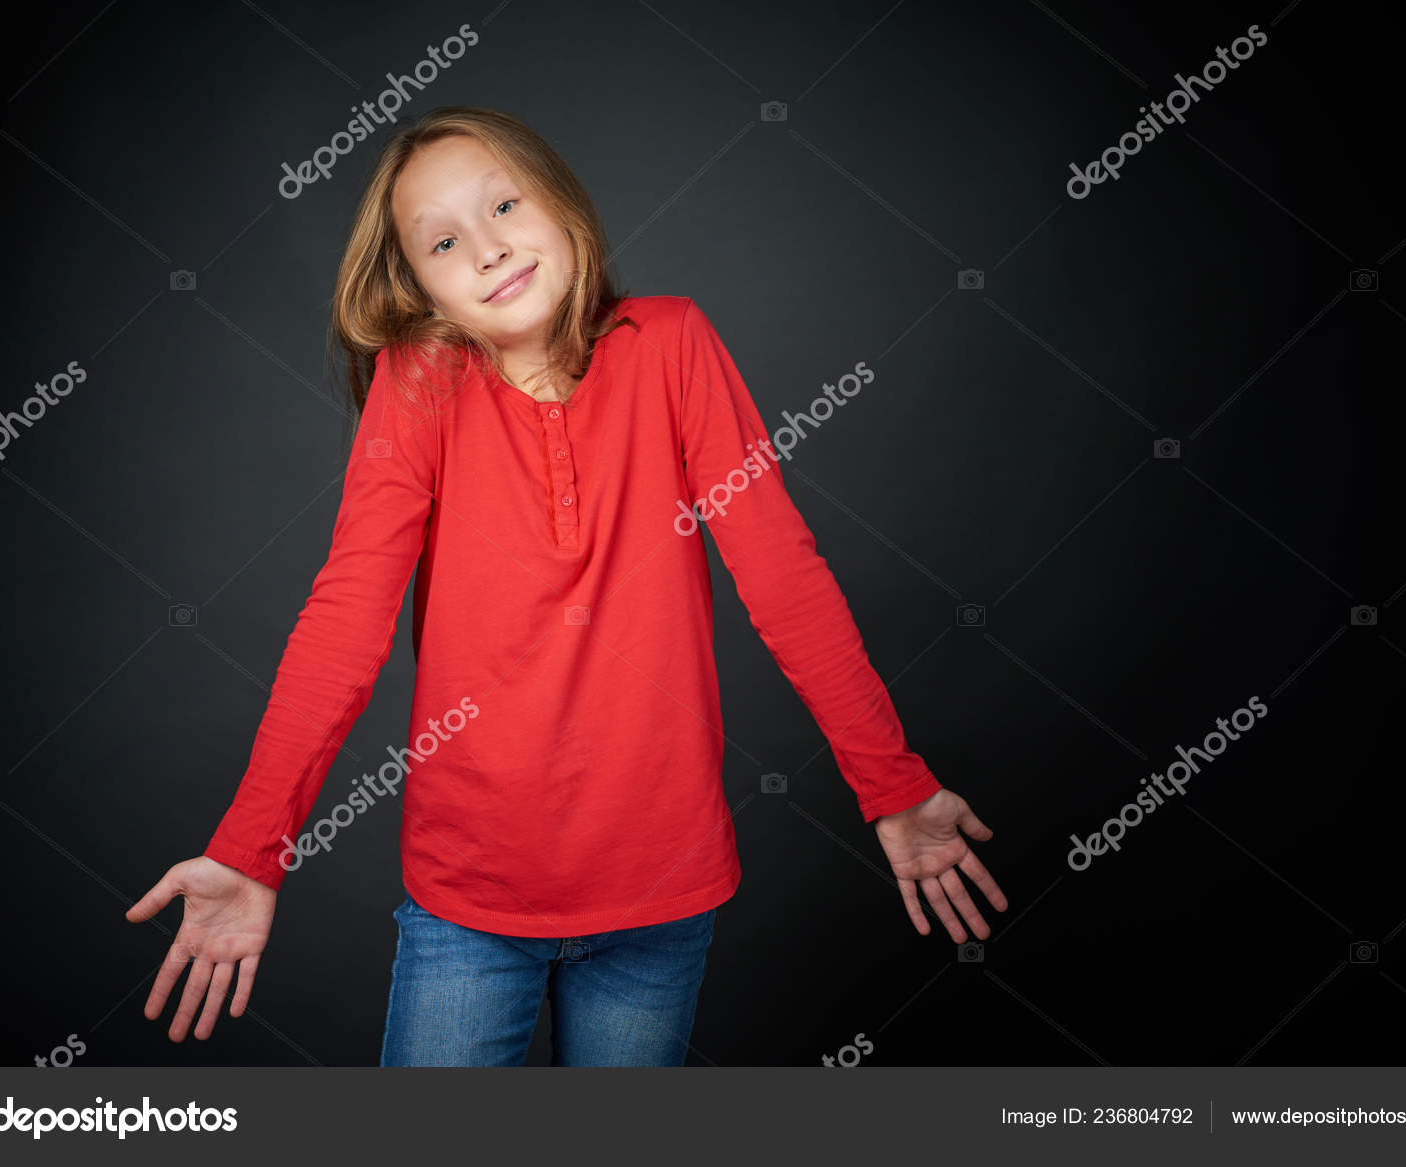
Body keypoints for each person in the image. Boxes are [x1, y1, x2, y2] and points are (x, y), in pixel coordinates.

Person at [125, 106, 1007, 1066]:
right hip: (469, 900)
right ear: (417, 285)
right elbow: (347, 615)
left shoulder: (672, 344)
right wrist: (254, 845)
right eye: (446, 241)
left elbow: (783, 576)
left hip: (660, 897)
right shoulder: (419, 381)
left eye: (505, 204)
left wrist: (891, 785)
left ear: (562, 202)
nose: (491, 248)